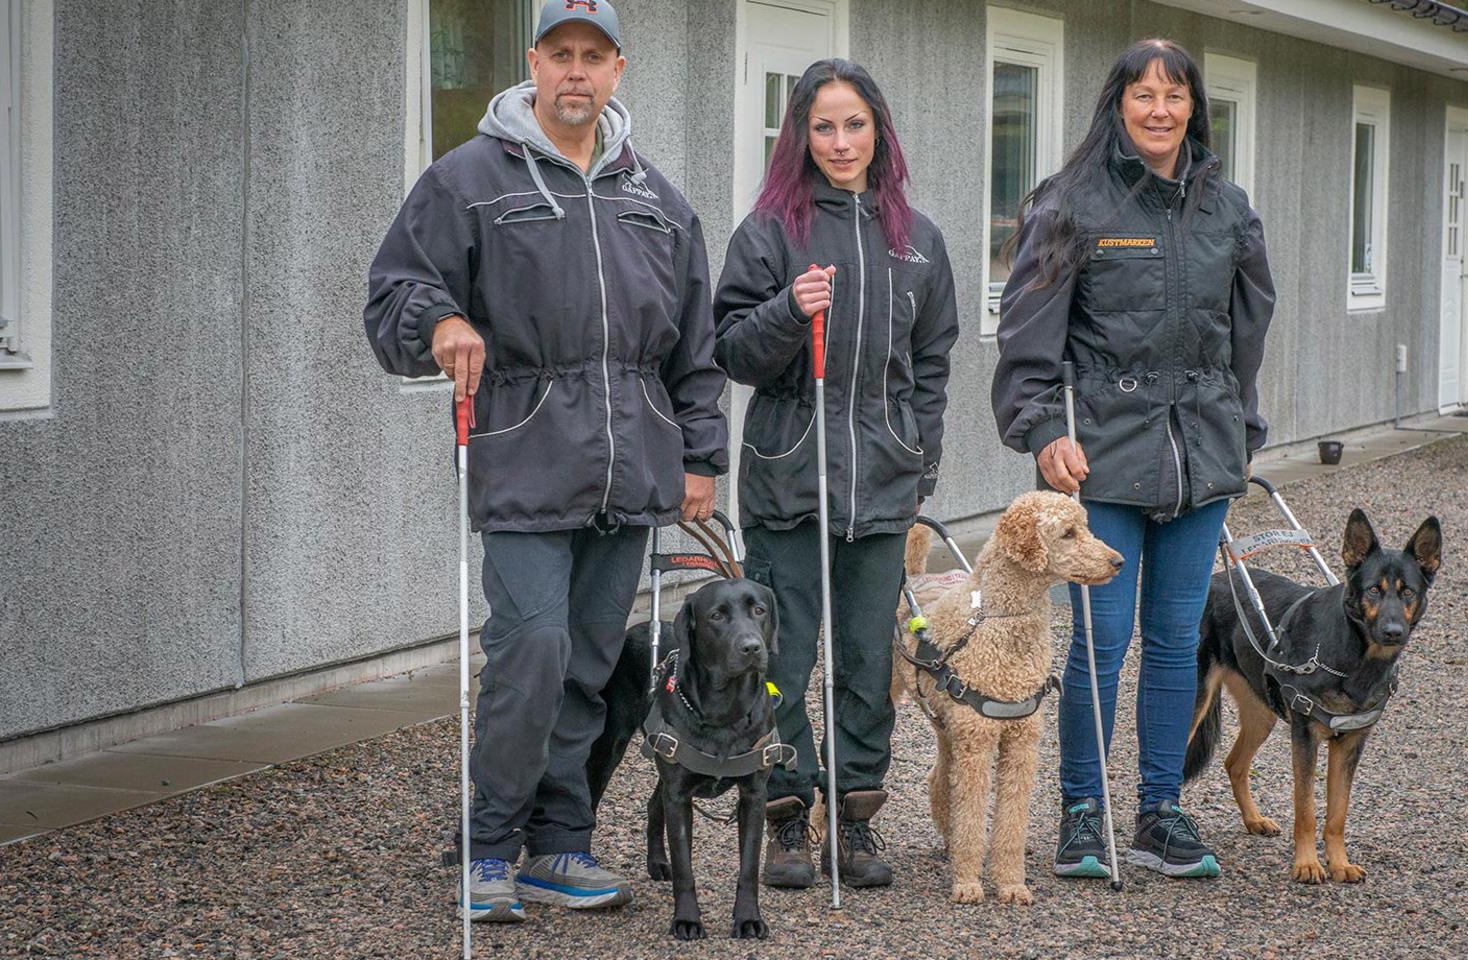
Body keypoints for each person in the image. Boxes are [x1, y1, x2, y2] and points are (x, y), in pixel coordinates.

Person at [363, 0, 726, 921]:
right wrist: (438, 322)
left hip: (634, 469)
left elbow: (695, 345)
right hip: (524, 459)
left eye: (592, 57)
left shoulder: (655, 197)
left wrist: (700, 457)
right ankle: (488, 844)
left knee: (592, 665)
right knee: (533, 648)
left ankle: (559, 845)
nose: (576, 71)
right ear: (535, 63)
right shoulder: (469, 180)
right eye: (560, 54)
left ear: (617, 70)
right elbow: (396, 291)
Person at [990, 39, 1276, 881]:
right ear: (1117, 103)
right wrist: (1043, 429)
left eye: (1174, 94)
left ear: (1194, 104)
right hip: (1099, 457)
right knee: (1096, 640)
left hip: (1200, 452)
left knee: (1176, 638)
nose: (1159, 109)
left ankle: (1160, 810)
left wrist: (1240, 427)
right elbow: (1026, 337)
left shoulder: (1229, 208)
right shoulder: (1071, 203)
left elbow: (1248, 334)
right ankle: (1083, 810)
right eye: (1142, 94)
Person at [713, 58, 958, 891]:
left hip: (881, 491)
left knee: (864, 665)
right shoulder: (770, 231)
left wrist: (920, 457)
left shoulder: (917, 241)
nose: (841, 141)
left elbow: (931, 363)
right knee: (779, 664)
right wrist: (789, 311)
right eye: (824, 126)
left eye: (855, 124)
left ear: (879, 130)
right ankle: (787, 816)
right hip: (789, 486)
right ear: (800, 135)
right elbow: (732, 350)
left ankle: (854, 818)